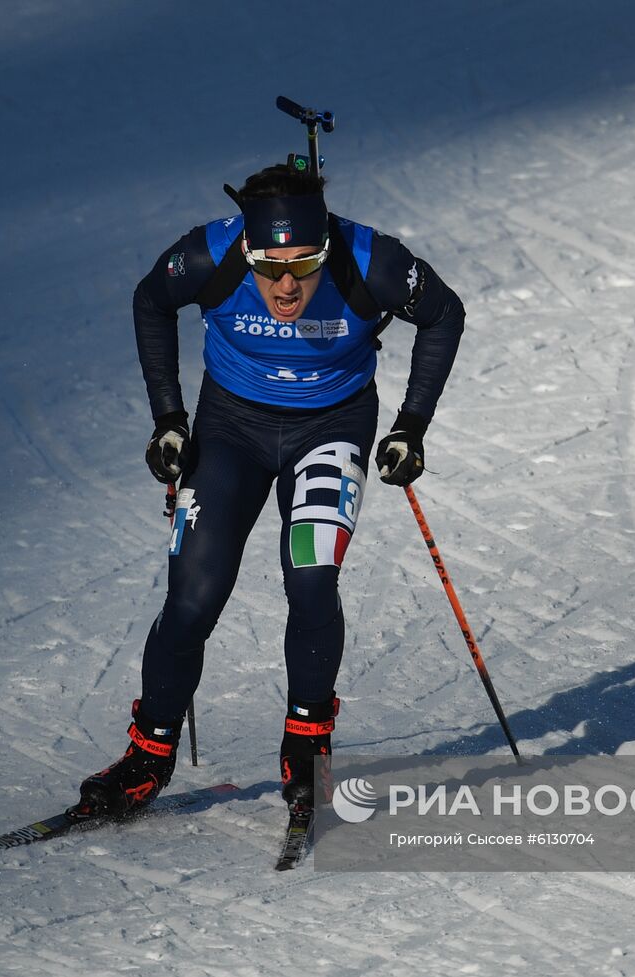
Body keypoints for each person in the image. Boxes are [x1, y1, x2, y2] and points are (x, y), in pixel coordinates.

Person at [76, 162, 465, 819]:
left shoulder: (371, 261)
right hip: (232, 431)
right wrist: (170, 417)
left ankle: (307, 749)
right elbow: (152, 299)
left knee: (312, 578)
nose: (286, 284)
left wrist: (410, 428)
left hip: (331, 427)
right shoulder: (211, 251)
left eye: (306, 262)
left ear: (326, 247)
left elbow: (443, 314)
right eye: (269, 264)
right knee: (192, 600)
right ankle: (148, 756)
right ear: (248, 248)